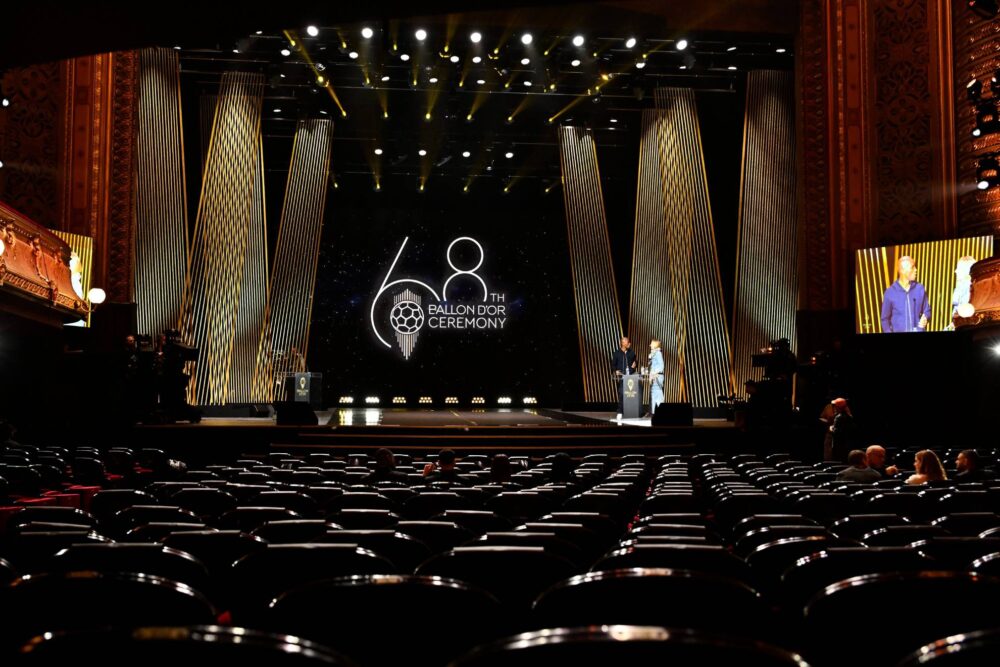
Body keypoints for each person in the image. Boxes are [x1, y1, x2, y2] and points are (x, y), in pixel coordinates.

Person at [880, 255, 931, 333]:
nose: (916, 270)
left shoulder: (920, 289)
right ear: (902, 271)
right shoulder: (890, 293)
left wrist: (925, 317)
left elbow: (927, 310)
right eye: (912, 267)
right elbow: (885, 319)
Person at [611, 336, 637, 420]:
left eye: (628, 342)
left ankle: (631, 412)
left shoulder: (632, 352)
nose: (629, 343)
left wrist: (635, 364)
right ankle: (620, 412)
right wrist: (616, 371)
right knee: (622, 393)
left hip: (631, 377)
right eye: (626, 342)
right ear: (622, 343)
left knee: (631, 394)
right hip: (622, 377)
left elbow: (635, 361)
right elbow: (613, 365)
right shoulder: (616, 353)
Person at [947, 255, 977, 329]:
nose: (955, 271)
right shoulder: (962, 286)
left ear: (966, 271)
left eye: (958, 269)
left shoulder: (967, 287)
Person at [823, 398, 855, 462]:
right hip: (846, 444)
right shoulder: (849, 416)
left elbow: (836, 432)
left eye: (835, 406)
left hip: (838, 444)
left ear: (838, 407)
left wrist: (831, 428)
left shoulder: (839, 417)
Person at [647, 338, 665, 416]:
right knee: (655, 394)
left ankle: (657, 413)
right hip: (655, 377)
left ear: (655, 345)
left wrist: (654, 373)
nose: (650, 345)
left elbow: (661, 366)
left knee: (657, 394)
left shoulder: (658, 353)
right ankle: (655, 413)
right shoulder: (654, 354)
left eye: (651, 343)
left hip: (657, 377)